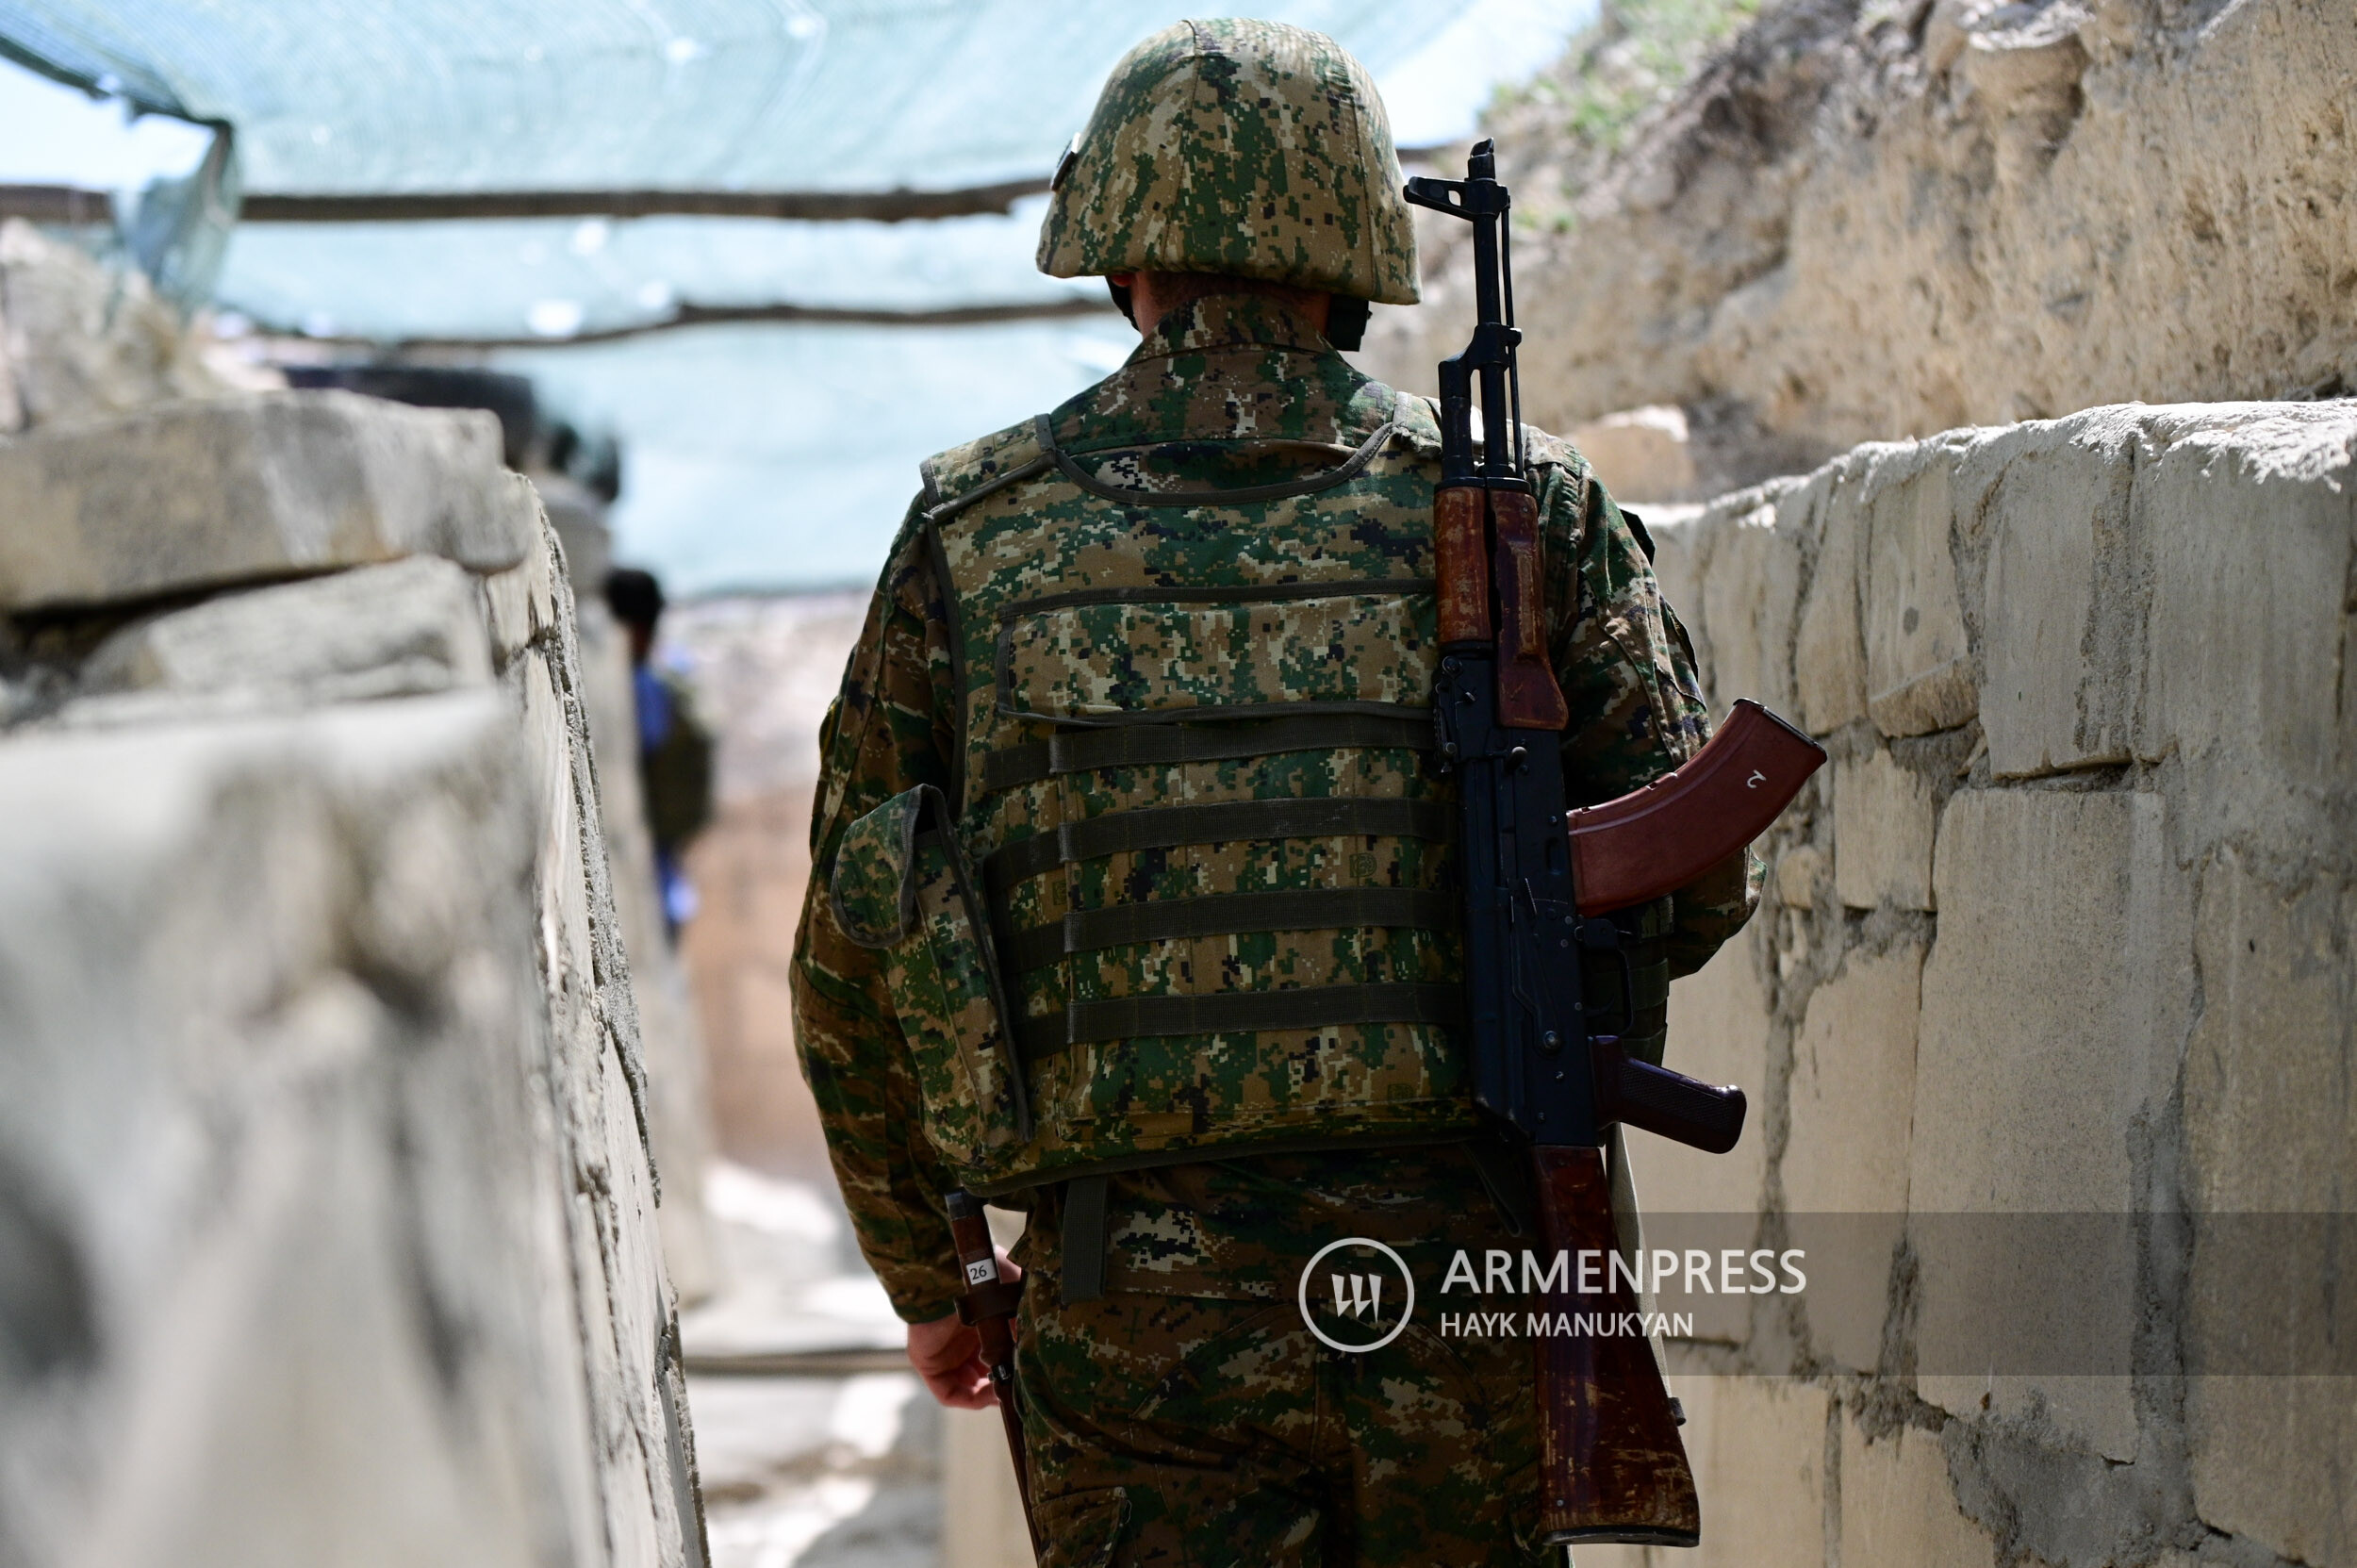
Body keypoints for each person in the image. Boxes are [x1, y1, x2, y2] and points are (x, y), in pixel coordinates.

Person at [791, 20, 1758, 1564]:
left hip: (1130, 1313)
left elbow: (852, 949)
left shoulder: (974, 536)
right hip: (1464, 1278)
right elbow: (1691, 879)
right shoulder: (1525, 506)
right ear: (1358, 253)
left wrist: (934, 1274)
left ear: (1118, 249)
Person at [604, 567, 715, 938]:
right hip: (674, 829)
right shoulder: (674, 662)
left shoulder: (643, 687)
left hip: (656, 837)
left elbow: (642, 747)